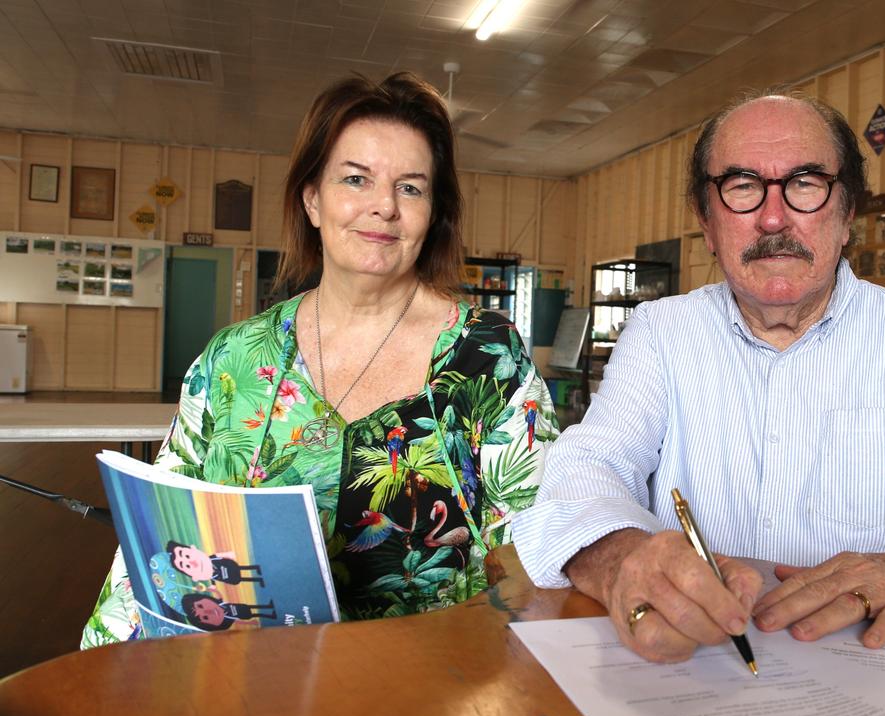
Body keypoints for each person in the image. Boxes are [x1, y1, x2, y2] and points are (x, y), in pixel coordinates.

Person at [513, 91, 885, 678]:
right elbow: (587, 469)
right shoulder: (663, 334)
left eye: (806, 182)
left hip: (881, 687)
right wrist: (622, 558)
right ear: (706, 222)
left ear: (847, 214)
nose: (772, 217)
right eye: (741, 186)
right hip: (700, 678)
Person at [82, 72, 557, 647]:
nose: (383, 207)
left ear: (434, 211)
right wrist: (105, 670)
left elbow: (536, 543)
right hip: (250, 679)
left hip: (439, 680)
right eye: (356, 179)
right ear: (312, 199)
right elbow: (160, 541)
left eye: (410, 188)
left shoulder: (488, 356)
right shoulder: (233, 360)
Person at [167, 541, 265, 586]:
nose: (192, 563)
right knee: (241, 578)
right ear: (193, 577)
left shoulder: (212, 559)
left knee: (241, 568)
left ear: (193, 548)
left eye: (187, 556)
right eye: (187, 566)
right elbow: (211, 578)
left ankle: (256, 568)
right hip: (224, 576)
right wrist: (213, 585)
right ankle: (257, 579)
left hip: (227, 565)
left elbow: (218, 555)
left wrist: (229, 555)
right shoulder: (211, 575)